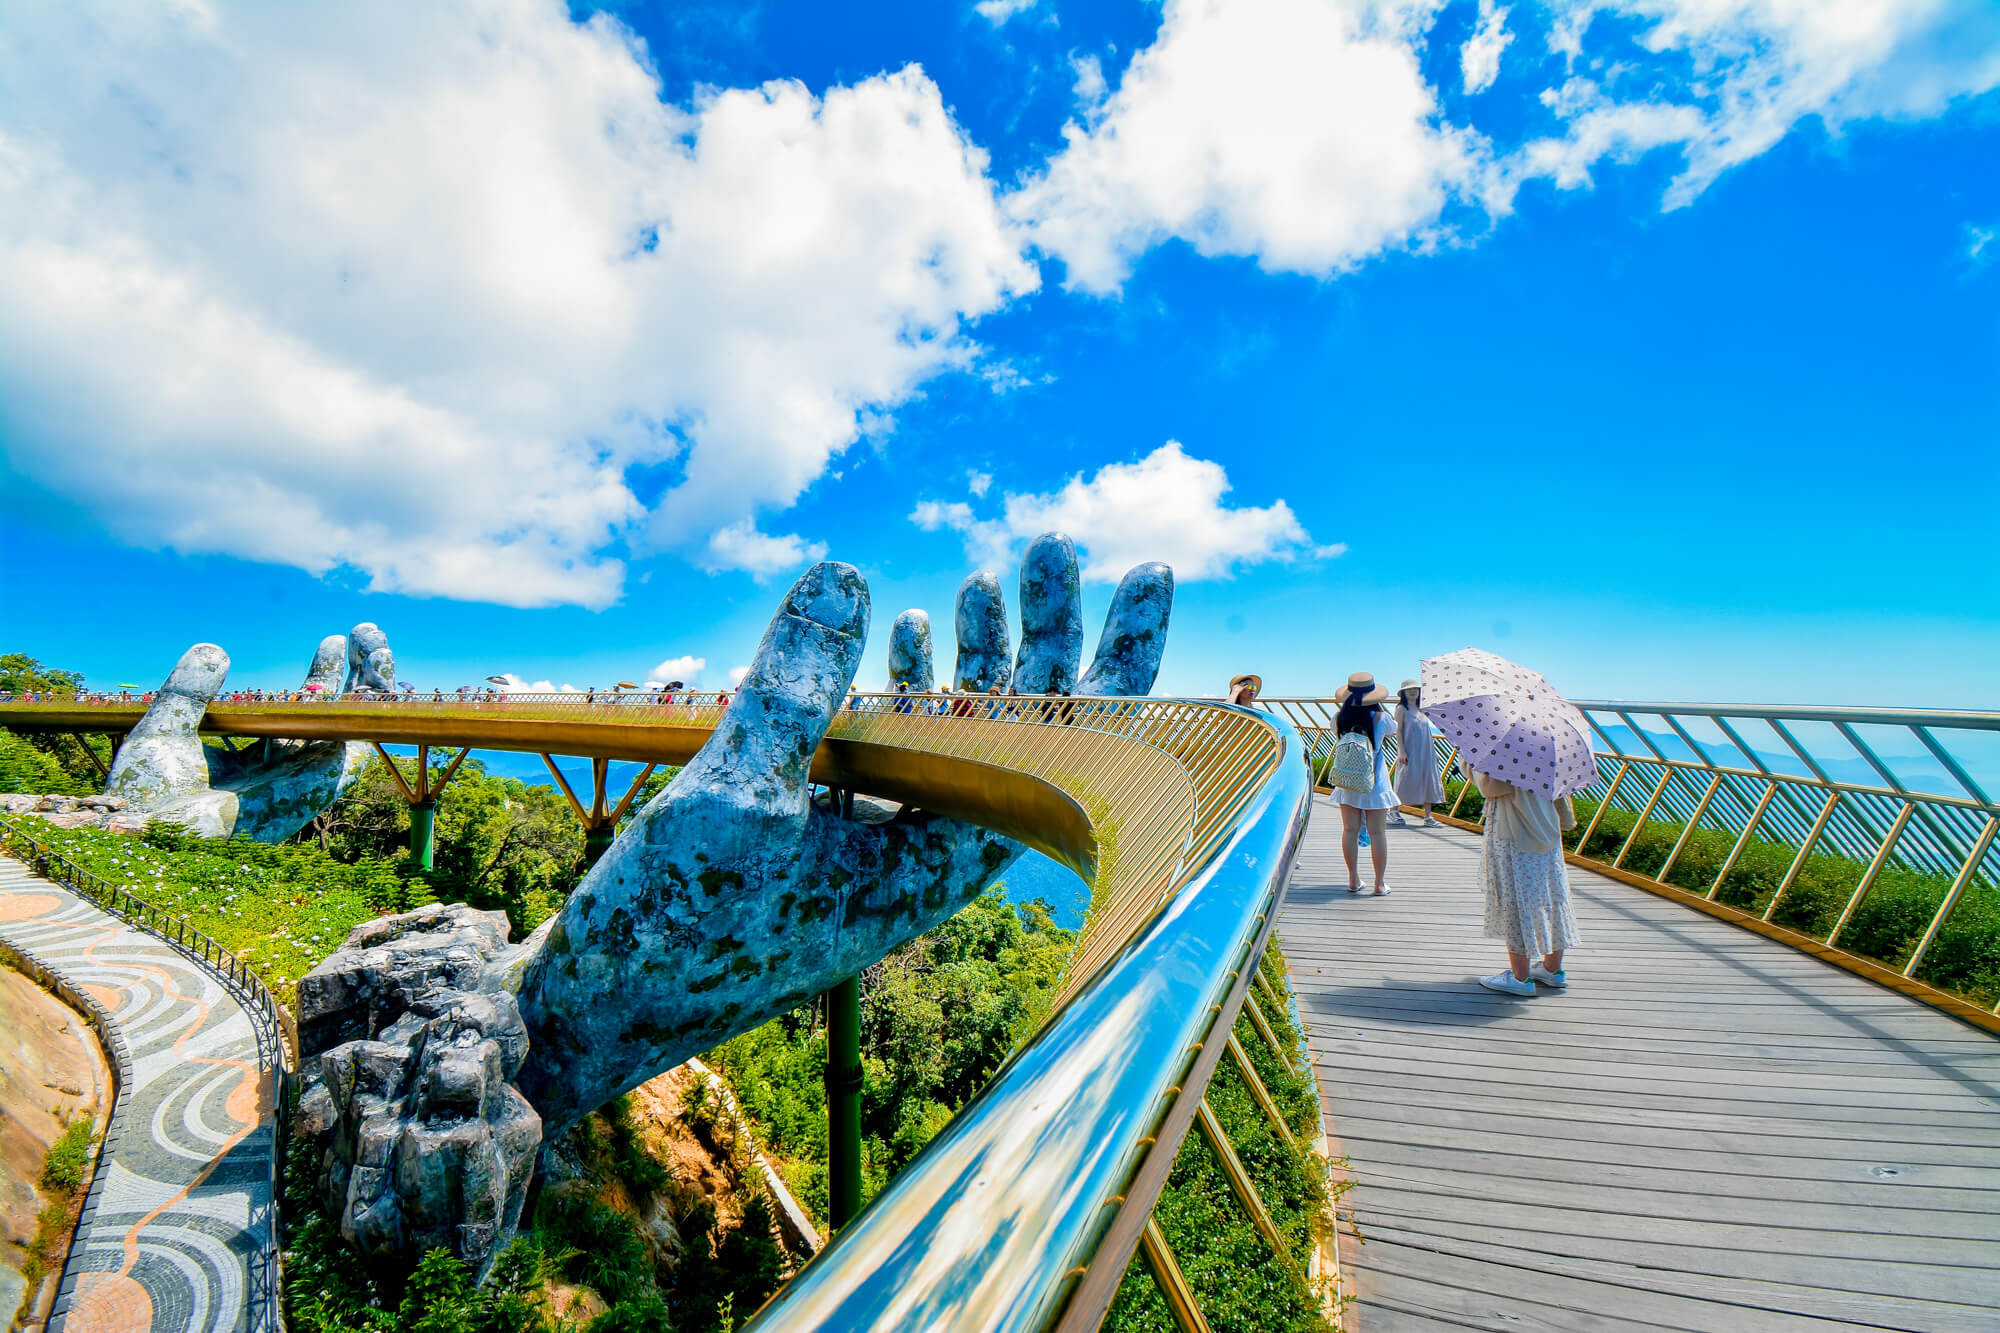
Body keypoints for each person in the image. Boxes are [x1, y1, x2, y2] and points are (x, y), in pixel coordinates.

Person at [1473, 767, 1581, 996]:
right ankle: (1552, 969)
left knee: (1515, 900)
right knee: (1552, 895)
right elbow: (1562, 799)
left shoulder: (1506, 751)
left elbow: (1489, 786)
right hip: (1547, 832)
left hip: (1514, 834)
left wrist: (1469, 765)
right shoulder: (1549, 753)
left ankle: (1520, 977)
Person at [1333, 672, 1396, 895]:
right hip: (1374, 783)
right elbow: (1393, 731)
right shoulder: (1381, 719)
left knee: (1349, 830)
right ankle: (1379, 884)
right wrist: (1378, 708)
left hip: (1348, 780)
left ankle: (1353, 880)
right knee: (1378, 833)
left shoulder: (1338, 718)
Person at [1391, 679, 1446, 826]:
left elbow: (1426, 732)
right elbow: (1398, 731)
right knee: (1405, 779)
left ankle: (1428, 816)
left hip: (1426, 750)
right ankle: (1394, 810)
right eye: (1409, 690)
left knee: (1428, 780)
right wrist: (1402, 751)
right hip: (1410, 749)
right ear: (1403, 693)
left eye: (1415, 689)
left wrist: (1434, 752)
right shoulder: (1401, 709)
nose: (1413, 692)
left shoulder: (1421, 709)